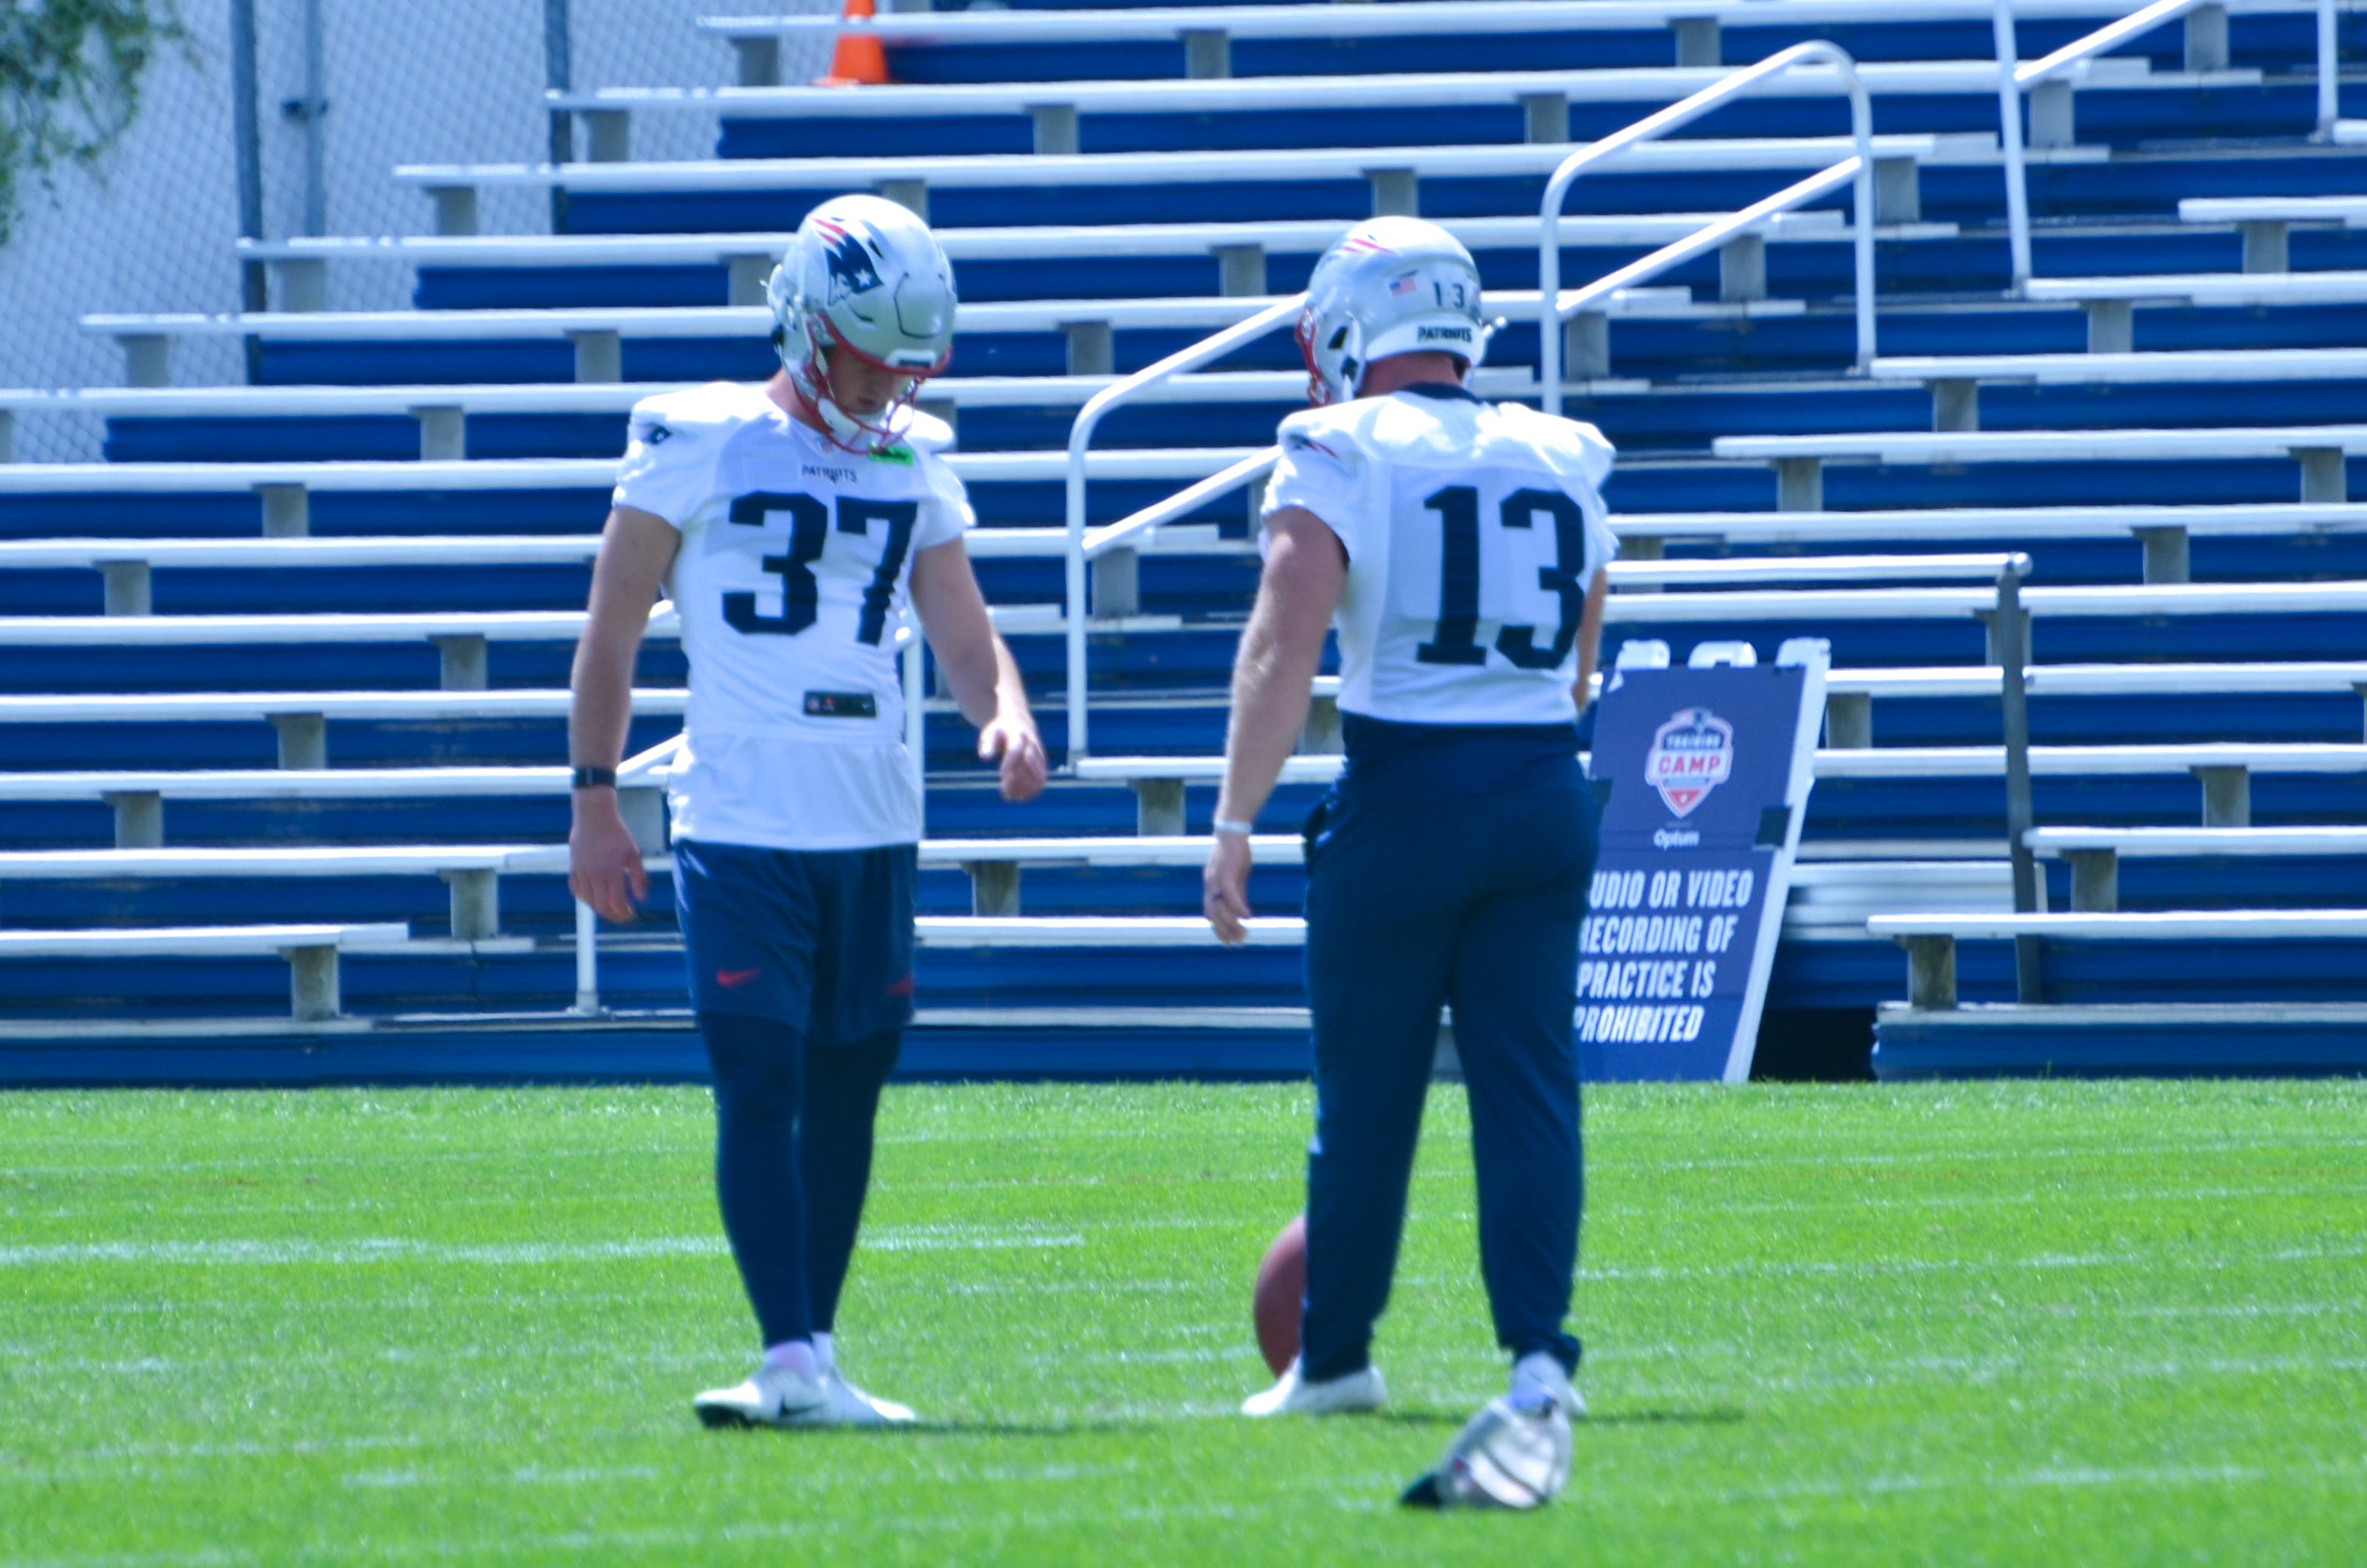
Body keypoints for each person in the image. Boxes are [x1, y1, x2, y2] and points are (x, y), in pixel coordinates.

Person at [568, 194, 1048, 1429]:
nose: (890, 379)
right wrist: (593, 797)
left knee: (847, 1084)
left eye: (907, 359)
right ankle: (784, 1352)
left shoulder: (913, 453)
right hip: (742, 812)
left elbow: (959, 616)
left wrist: (1005, 708)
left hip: (876, 816)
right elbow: (611, 631)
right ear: (802, 322)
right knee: (760, 1076)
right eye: (871, 350)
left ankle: (814, 1352)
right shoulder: (699, 436)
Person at [1202, 216, 1615, 1508]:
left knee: (1368, 1096)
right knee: (1530, 1088)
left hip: (1408, 788)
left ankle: (1336, 1357)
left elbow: (1284, 638)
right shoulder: (1563, 447)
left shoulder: (1334, 444)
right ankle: (1541, 1362)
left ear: (1348, 331)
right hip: (1545, 785)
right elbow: (1586, 653)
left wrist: (1233, 819)